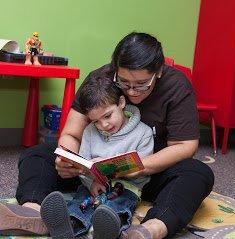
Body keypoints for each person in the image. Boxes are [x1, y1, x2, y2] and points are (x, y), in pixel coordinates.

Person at [1, 32, 214, 239]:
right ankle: (33, 214)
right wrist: (68, 160)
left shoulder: (176, 86)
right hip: (91, 173)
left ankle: (150, 230)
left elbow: (184, 145)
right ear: (115, 70)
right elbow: (71, 134)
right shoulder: (100, 79)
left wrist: (136, 166)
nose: (131, 92)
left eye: (142, 84)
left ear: (158, 72)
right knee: (37, 154)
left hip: (147, 175)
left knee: (197, 173)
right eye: (123, 83)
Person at [40, 76, 154, 239]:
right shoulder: (89, 132)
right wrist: (91, 181)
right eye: (96, 121)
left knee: (116, 205)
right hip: (92, 187)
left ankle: (109, 228)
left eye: (107, 116)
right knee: (80, 202)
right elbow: (84, 167)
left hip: (126, 187)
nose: (104, 125)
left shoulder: (143, 133)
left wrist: (111, 169)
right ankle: (68, 226)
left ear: (121, 103)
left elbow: (141, 168)